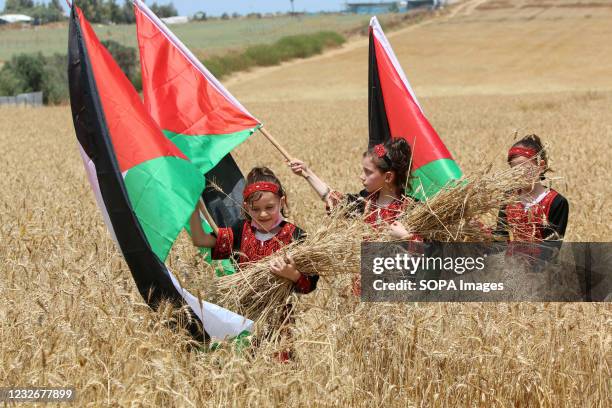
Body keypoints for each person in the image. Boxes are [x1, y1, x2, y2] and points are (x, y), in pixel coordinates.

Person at [189, 166, 318, 294]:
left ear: (282, 202)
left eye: (269, 207)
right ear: (246, 207)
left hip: (281, 313)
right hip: (241, 311)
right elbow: (200, 240)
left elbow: (309, 286)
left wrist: (293, 275)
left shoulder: (296, 236)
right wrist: (193, 206)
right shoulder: (241, 230)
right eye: (255, 209)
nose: (263, 214)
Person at [289, 138, 416, 239]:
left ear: (388, 177)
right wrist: (306, 173)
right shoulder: (363, 203)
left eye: (368, 172)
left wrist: (406, 237)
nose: (361, 176)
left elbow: (431, 256)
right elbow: (331, 198)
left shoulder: (411, 210)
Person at [496, 134, 569, 262]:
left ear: (540, 166)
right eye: (514, 170)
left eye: (525, 168)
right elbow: (500, 236)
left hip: (542, 275)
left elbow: (551, 249)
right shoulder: (508, 198)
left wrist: (528, 274)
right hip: (509, 270)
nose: (519, 174)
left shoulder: (556, 202)